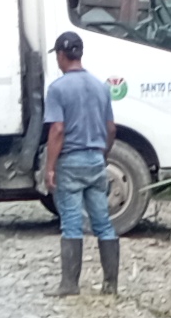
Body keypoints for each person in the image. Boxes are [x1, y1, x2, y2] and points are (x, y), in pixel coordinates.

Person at [39, 29, 118, 297]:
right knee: (103, 223)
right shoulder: (100, 87)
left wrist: (50, 167)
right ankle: (110, 285)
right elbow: (111, 128)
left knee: (72, 223)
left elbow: (57, 130)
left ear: (62, 55)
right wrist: (103, 155)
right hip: (95, 159)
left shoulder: (57, 89)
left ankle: (69, 285)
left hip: (70, 162)